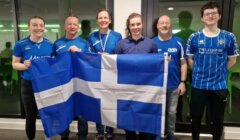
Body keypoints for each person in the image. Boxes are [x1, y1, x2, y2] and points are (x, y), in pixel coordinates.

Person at [187, 2, 239, 140]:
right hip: (199, 85)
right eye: (207, 14)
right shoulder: (194, 37)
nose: (210, 16)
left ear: (219, 16)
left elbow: (232, 60)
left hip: (219, 86)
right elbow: (190, 59)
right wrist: (199, 72)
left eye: (214, 13)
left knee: (217, 119)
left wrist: (219, 71)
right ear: (202, 18)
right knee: (196, 118)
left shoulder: (229, 37)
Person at [115, 12, 157, 140]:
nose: (135, 27)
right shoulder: (121, 44)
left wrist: (164, 62)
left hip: (145, 87)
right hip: (127, 87)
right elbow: (115, 64)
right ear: (129, 26)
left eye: (138, 24)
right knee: (129, 117)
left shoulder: (151, 44)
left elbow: (156, 65)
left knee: (144, 116)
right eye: (132, 24)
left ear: (142, 24)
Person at [12, 16, 53, 140]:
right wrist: (24, 65)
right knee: (30, 115)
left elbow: (54, 64)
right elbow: (14, 64)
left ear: (44, 28)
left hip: (45, 84)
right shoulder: (20, 44)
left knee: (47, 113)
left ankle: (48, 137)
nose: (38, 28)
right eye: (35, 25)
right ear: (29, 27)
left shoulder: (50, 45)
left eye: (41, 25)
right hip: (28, 84)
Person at [53, 15, 90, 140]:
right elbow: (53, 62)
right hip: (63, 83)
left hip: (80, 83)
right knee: (64, 111)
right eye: (69, 24)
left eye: (75, 24)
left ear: (78, 26)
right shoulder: (57, 43)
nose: (72, 26)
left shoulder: (84, 43)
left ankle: (82, 136)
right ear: (65, 26)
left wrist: (79, 52)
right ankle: (64, 136)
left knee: (81, 113)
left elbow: (90, 61)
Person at [88, 9, 122, 140]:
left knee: (110, 102)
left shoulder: (117, 36)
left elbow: (120, 54)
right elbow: (89, 56)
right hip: (97, 74)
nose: (103, 20)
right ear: (97, 21)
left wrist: (110, 56)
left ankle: (109, 130)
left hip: (112, 74)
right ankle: (100, 131)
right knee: (98, 103)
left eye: (105, 18)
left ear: (110, 20)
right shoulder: (92, 36)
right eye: (100, 18)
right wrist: (97, 56)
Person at [152, 15, 187, 140]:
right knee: (157, 112)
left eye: (167, 23)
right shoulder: (152, 43)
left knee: (171, 113)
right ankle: (158, 134)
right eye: (162, 23)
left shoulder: (179, 42)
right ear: (157, 26)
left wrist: (182, 82)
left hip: (173, 85)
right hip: (157, 86)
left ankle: (170, 135)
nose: (164, 25)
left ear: (170, 25)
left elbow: (183, 64)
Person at [174, 10, 195, 122]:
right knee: (190, 96)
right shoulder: (195, 35)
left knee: (180, 96)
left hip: (183, 71)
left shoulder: (176, 37)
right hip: (190, 70)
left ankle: (179, 118)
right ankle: (190, 116)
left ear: (179, 22)